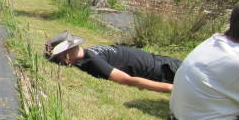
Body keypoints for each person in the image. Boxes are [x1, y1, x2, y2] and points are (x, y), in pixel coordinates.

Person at [45, 31, 181, 93]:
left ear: (66, 56)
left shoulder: (93, 62)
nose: (58, 62)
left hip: (166, 71)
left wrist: (170, 88)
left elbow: (127, 80)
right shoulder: (92, 50)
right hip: (165, 61)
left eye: (57, 59)